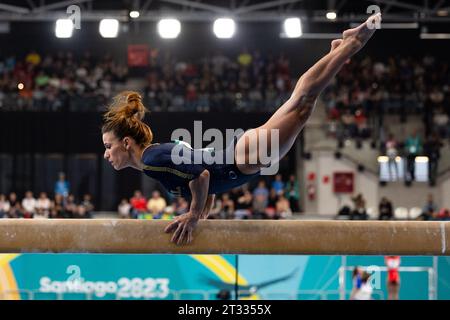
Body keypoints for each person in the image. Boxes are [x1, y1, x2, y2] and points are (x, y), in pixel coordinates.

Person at [101, 14, 382, 245]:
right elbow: (202, 179)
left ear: (126, 142)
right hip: (240, 154)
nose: (106, 154)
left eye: (108, 146)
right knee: (299, 101)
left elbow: (202, 174)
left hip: (242, 158)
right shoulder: (155, 159)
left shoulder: (151, 160)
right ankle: (336, 49)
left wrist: (194, 215)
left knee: (303, 105)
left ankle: (351, 45)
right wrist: (202, 213)